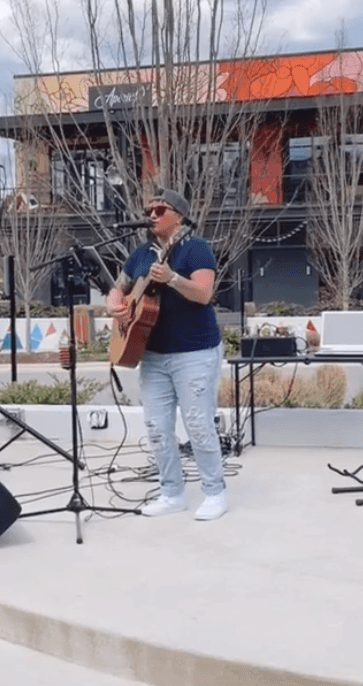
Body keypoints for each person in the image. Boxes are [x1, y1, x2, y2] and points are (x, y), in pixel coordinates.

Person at [106, 188, 227, 520]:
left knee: (199, 425)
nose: (152, 215)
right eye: (149, 210)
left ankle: (215, 493)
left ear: (179, 215)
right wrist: (115, 304)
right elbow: (119, 288)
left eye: (160, 209)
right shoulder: (141, 253)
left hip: (194, 352)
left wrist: (173, 279)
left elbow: (203, 294)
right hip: (153, 354)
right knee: (157, 428)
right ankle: (172, 493)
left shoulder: (196, 248)